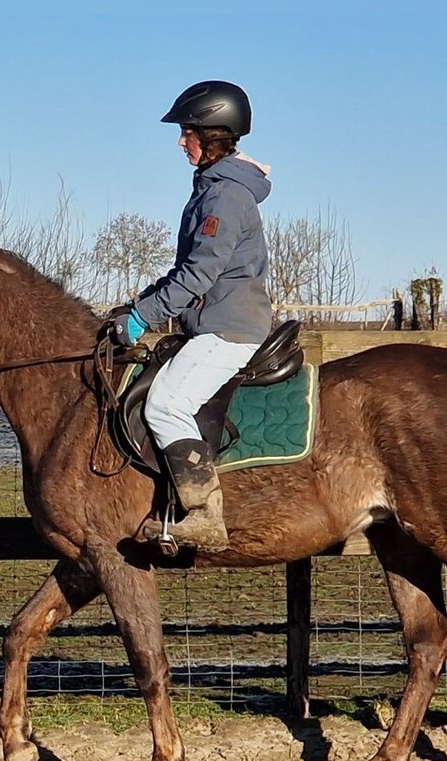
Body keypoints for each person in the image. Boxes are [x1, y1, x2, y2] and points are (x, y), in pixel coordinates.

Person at [109, 80, 272, 552]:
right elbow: (184, 271)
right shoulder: (215, 189)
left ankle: (204, 514)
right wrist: (136, 307)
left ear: (213, 134)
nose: (181, 141)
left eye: (188, 133)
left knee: (165, 404)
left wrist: (143, 319)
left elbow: (199, 276)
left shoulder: (224, 197)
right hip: (217, 321)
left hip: (229, 328)